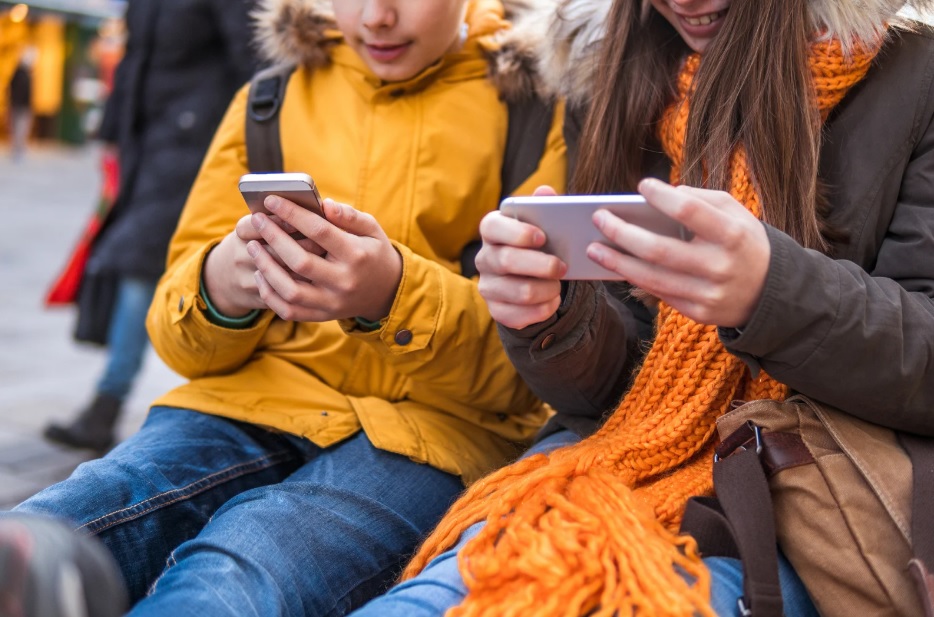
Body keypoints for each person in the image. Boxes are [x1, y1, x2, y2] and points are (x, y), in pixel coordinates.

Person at [350, 0, 934, 615]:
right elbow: (608, 387)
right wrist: (550, 317)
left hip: (810, 493)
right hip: (612, 457)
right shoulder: (608, 69)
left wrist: (771, 292)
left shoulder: (913, 73)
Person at [7, 0, 568, 615]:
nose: (375, 18)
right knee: (52, 528)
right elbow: (175, 339)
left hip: (436, 435)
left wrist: (392, 297)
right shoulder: (269, 95)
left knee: (234, 582)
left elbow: (536, 374)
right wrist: (220, 287)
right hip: (243, 404)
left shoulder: (540, 106)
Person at [43, 0, 261, 451]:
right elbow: (134, 63)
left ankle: (111, 403)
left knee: (142, 268)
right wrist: (114, 134)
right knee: (136, 266)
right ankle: (119, 403)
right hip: (149, 148)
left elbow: (256, 59)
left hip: (197, 150)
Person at [7, 48, 35, 162]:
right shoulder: (21, 74)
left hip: (21, 106)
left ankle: (18, 150)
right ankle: (17, 151)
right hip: (20, 107)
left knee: (20, 130)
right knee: (19, 129)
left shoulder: (24, 73)